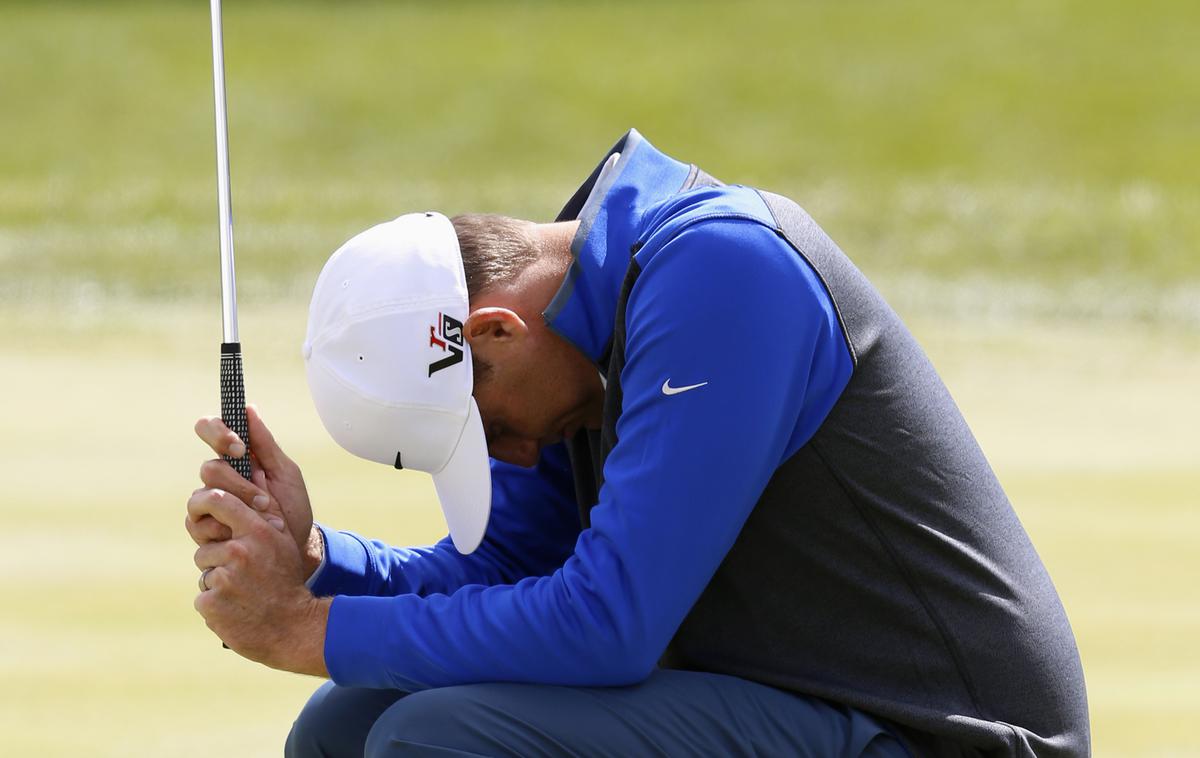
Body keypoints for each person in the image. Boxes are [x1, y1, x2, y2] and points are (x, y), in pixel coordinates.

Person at [186, 129, 1090, 757]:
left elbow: (606, 627)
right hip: (807, 711)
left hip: (945, 737)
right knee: (344, 725)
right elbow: (506, 576)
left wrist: (307, 630)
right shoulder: (580, 329)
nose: (518, 458)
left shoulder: (721, 271)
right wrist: (309, 566)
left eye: (491, 428)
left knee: (438, 738)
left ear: (495, 335)